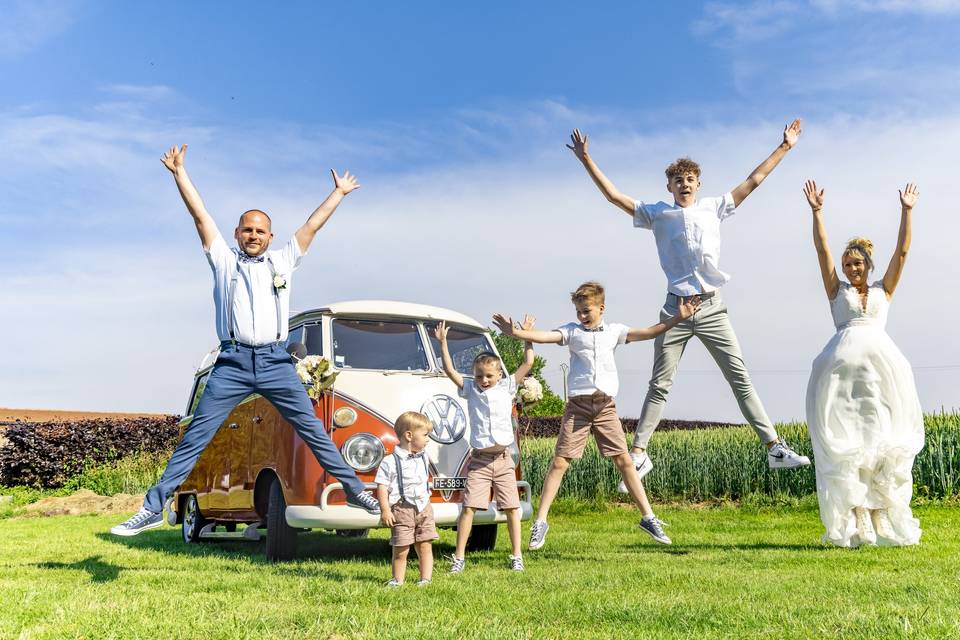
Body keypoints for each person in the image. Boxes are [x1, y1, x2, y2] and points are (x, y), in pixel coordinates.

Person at [111, 144, 380, 536]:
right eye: (247, 229)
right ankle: (153, 507)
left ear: (270, 237)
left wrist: (337, 194)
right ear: (237, 233)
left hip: (275, 362)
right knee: (197, 437)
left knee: (312, 430)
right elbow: (200, 215)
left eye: (260, 231)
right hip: (233, 364)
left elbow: (311, 227)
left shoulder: (283, 261)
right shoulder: (222, 259)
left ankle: (355, 490)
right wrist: (179, 174)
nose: (253, 235)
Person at [566, 121, 811, 489]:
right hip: (675, 310)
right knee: (660, 383)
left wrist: (785, 146)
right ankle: (639, 454)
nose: (684, 184)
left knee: (739, 378)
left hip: (712, 307)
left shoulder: (714, 207)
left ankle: (774, 447)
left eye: (690, 179)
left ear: (699, 183)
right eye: (678, 180)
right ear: (669, 186)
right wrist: (587, 159)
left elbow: (753, 180)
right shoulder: (657, 213)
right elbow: (614, 197)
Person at [494, 281, 699, 550]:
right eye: (578, 311)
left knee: (625, 461)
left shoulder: (614, 332)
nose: (582, 316)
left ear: (601, 308)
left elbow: (650, 332)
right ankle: (540, 522)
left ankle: (648, 517)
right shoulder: (571, 332)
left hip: (605, 406)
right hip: (578, 407)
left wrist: (678, 318)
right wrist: (519, 333)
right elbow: (545, 336)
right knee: (560, 463)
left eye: (586, 311)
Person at [802, 180, 924, 547]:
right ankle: (858, 517)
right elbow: (821, 249)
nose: (851, 268)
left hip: (881, 374)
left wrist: (906, 211)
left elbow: (902, 252)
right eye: (847, 264)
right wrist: (817, 212)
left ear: (868, 264)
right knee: (849, 441)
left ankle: (881, 515)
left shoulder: (883, 290)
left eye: (857, 263)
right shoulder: (836, 291)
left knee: (882, 438)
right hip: (842, 377)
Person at [434, 318, 535, 573]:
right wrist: (443, 343)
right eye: (480, 375)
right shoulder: (470, 389)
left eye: (489, 375)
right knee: (468, 509)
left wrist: (526, 336)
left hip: (503, 461)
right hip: (478, 461)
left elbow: (528, 363)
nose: (484, 380)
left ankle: (516, 555)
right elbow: (450, 371)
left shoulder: (507, 387)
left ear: (499, 374)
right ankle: (459, 558)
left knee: (512, 508)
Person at [375, 411, 439, 587]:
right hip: (402, 508)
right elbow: (382, 486)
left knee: (425, 544)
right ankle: (397, 580)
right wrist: (385, 509)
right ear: (409, 436)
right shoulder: (390, 461)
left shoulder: (424, 456)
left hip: (423, 507)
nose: (428, 439)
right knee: (401, 548)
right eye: (425, 435)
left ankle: (425, 579)